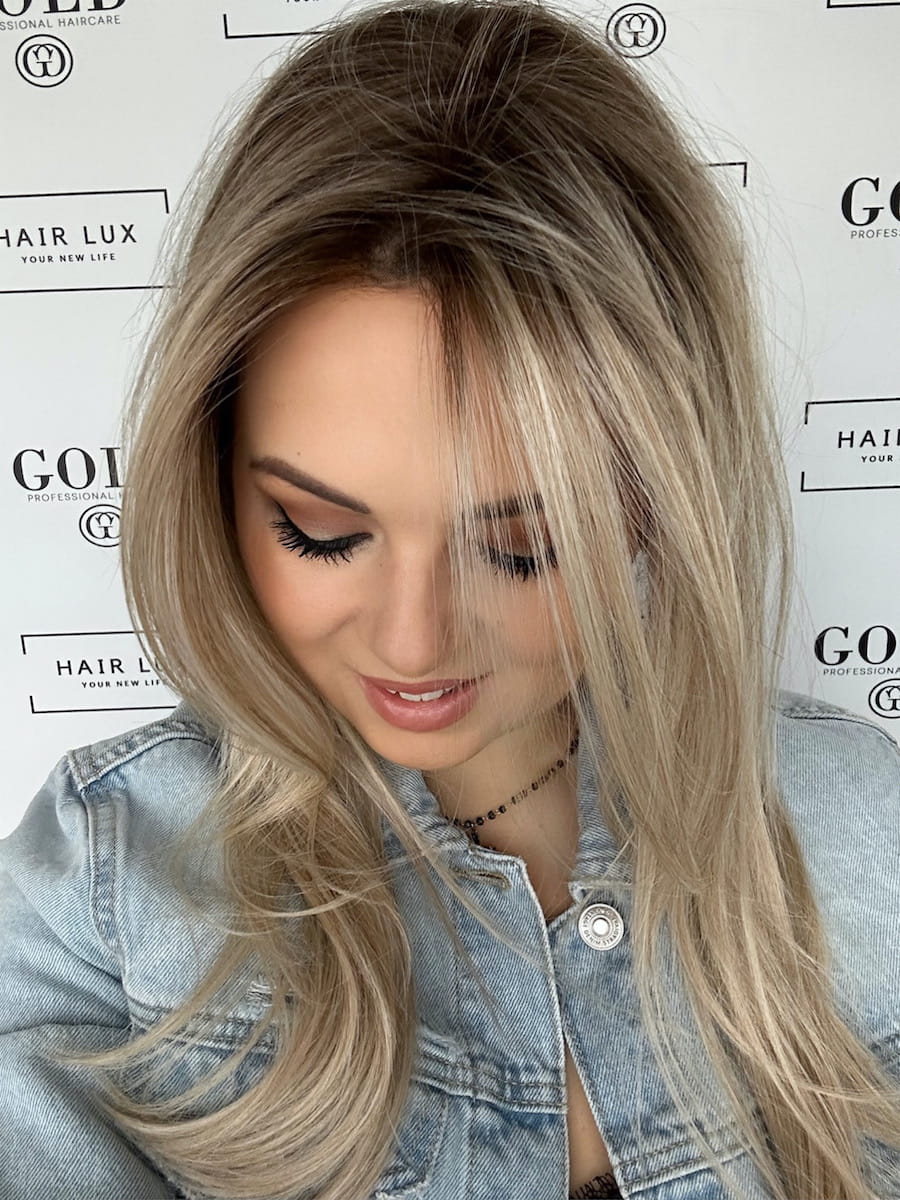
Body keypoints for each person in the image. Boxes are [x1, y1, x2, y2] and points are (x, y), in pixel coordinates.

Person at [1, 0, 899, 1197]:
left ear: (654, 501)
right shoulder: (107, 889)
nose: (413, 638)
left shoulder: (859, 830)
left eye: (523, 548)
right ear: (211, 477)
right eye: (320, 533)